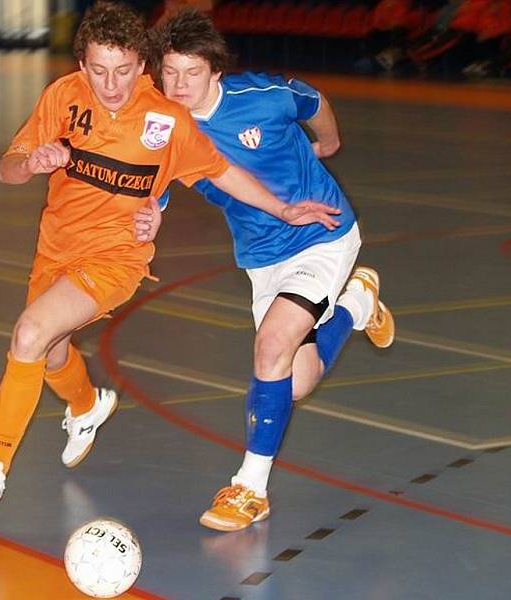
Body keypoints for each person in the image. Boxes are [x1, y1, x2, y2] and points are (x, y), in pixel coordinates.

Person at [0, 0, 342, 510]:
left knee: (29, 332)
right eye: (98, 70)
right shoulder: (62, 98)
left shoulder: (166, 117)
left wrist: (284, 208)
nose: (110, 84)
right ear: (80, 65)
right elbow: (7, 167)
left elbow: (220, 171)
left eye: (122, 70)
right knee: (50, 352)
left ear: (142, 66)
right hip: (55, 249)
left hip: (116, 257)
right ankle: (87, 404)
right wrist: (29, 163)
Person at [137, 8, 396, 531]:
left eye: (192, 72)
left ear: (215, 71)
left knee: (270, 348)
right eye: (170, 73)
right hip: (261, 258)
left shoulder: (261, 97)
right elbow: (155, 192)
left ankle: (249, 488)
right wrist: (147, 218)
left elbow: (313, 101)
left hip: (322, 235)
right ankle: (357, 303)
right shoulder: (166, 131)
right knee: (294, 380)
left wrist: (329, 143)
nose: (180, 85)